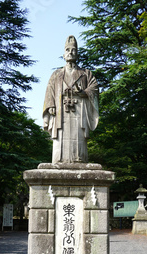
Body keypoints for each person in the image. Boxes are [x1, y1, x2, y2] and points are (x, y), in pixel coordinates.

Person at [43, 35, 99, 163]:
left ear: (77, 54)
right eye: (67, 50)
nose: (70, 52)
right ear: (63, 55)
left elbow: (94, 88)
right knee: (61, 135)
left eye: (73, 50)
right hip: (60, 110)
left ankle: (79, 159)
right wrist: (51, 105)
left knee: (78, 136)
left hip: (79, 110)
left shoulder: (85, 73)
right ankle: (59, 160)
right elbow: (49, 90)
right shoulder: (56, 74)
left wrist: (83, 92)